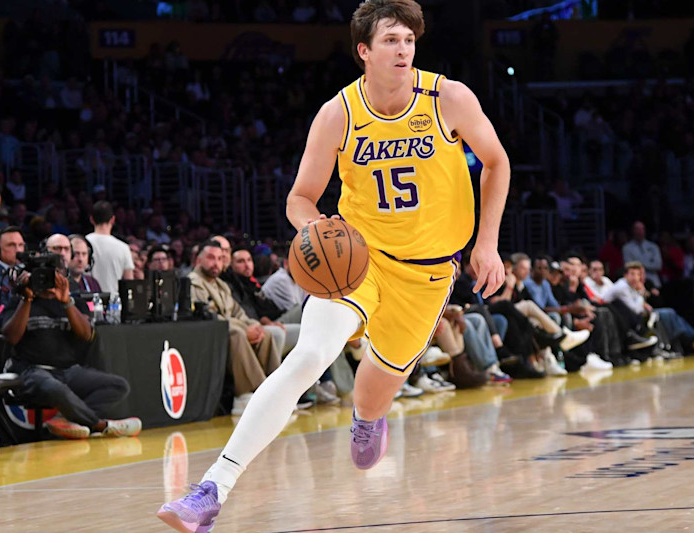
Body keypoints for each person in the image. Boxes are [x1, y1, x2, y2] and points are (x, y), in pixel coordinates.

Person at [158, 2, 510, 530]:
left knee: (373, 392)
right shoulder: (338, 113)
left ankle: (367, 418)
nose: (404, 50)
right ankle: (211, 489)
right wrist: (316, 230)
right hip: (357, 260)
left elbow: (497, 161)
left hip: (429, 272)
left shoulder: (449, 98)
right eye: (391, 40)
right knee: (309, 357)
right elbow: (299, 198)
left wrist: (488, 242)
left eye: (409, 40)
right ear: (364, 51)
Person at [1, 258, 141, 440]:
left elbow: (87, 335)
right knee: (56, 388)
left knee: (117, 386)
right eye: (43, 275)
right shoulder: (19, 301)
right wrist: (26, 298)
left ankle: (66, 419)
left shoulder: (74, 302)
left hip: (67, 370)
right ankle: (100, 425)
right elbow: (11, 337)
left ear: (64, 276)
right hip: (30, 370)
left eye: (54, 274)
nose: (49, 279)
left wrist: (66, 302)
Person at [188, 241, 283, 414]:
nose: (215, 263)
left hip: (230, 327)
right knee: (237, 333)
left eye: (219, 258)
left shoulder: (221, 284)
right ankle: (247, 394)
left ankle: (276, 390)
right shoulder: (193, 283)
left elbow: (238, 312)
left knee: (265, 334)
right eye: (210, 258)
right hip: (210, 334)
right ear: (198, 260)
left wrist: (254, 325)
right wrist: (244, 328)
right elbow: (209, 316)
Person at [86, 201, 134, 293]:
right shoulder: (123, 247)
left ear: (91, 219)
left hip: (88, 300)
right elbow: (129, 281)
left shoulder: (83, 243)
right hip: (114, 303)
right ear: (112, 220)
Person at [622, 221, 662, 288]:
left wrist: (640, 263)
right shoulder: (627, 248)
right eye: (637, 229)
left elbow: (658, 265)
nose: (640, 231)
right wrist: (649, 263)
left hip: (654, 282)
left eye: (642, 229)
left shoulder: (653, 246)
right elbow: (629, 266)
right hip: (636, 283)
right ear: (633, 231)